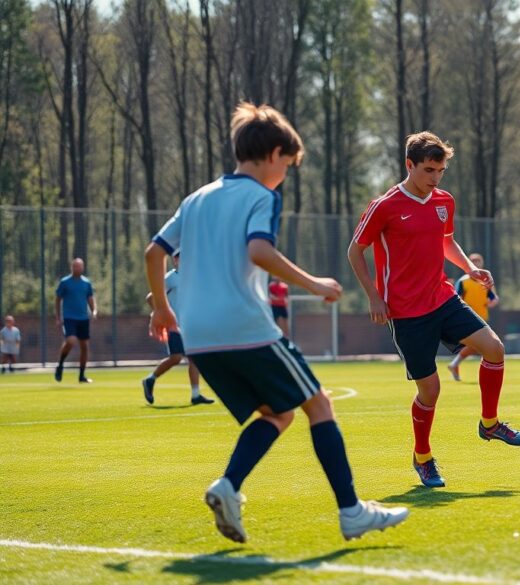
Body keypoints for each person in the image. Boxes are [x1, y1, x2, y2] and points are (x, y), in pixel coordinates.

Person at [146, 102, 407, 543]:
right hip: (245, 326)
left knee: (278, 412)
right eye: (287, 163)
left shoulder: (196, 199)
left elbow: (154, 252)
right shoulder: (262, 196)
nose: (286, 172)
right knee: (319, 404)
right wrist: (316, 283)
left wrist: (161, 309)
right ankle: (351, 512)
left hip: (199, 337)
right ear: (273, 154)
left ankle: (227, 487)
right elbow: (259, 252)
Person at [348, 131, 520, 489]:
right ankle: (423, 458)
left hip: (442, 298)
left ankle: (490, 424)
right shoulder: (383, 206)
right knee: (430, 392)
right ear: (409, 165)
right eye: (429, 170)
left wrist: (469, 269)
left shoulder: (444, 200)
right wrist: (373, 296)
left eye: (441, 170)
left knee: (494, 349)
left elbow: (446, 241)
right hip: (404, 312)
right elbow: (355, 251)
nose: (435, 178)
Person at [141, 252, 215, 406]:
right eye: (178, 257)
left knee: (194, 358)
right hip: (174, 325)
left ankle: (195, 395)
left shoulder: (193, 277)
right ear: (174, 260)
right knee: (176, 357)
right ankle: (150, 379)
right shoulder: (170, 278)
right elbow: (150, 297)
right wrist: (159, 314)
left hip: (190, 326)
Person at [447, 252, 500, 382]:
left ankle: (454, 365)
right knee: (482, 346)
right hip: (466, 319)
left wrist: (492, 300)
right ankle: (456, 365)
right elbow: (456, 298)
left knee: (479, 346)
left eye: (478, 261)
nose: (476, 263)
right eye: (473, 261)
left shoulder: (485, 281)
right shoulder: (463, 281)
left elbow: (493, 299)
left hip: (482, 317)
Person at [55, 257, 96, 383]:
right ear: (71, 267)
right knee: (71, 341)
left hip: (83, 318)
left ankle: (82, 376)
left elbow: (90, 298)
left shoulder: (86, 283)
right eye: (75, 266)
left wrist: (93, 310)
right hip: (69, 317)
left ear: (83, 267)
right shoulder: (65, 282)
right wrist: (58, 317)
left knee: (84, 346)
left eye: (79, 266)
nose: (77, 268)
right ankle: (60, 364)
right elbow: (57, 299)